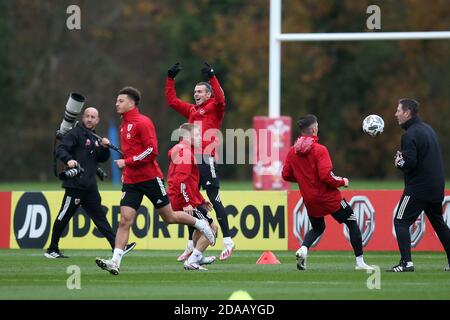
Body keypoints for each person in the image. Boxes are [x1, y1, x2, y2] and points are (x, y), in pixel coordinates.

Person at [95, 87, 216, 275]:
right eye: (117, 101)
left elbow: (152, 151)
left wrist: (126, 162)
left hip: (151, 178)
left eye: (120, 101)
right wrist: (124, 164)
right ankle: (115, 261)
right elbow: (132, 151)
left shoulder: (143, 122)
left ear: (131, 103)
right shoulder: (123, 124)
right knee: (125, 220)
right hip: (132, 180)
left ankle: (200, 224)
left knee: (170, 217)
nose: (116, 104)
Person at [282, 114, 373, 271]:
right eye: (317, 126)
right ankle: (360, 262)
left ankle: (303, 249)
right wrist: (343, 181)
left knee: (318, 228)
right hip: (329, 197)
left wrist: (305, 180)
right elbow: (326, 176)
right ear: (313, 129)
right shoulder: (320, 150)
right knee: (351, 221)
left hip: (309, 199)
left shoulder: (292, 152)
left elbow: (286, 175)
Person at [166, 62, 235, 261]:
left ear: (208, 94)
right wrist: (170, 79)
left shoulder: (215, 107)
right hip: (192, 161)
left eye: (200, 91)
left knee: (213, 197)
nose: (196, 94)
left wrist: (212, 76)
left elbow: (222, 98)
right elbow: (172, 101)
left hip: (206, 158)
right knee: (193, 201)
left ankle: (228, 240)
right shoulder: (192, 111)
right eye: (195, 91)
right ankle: (191, 245)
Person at [45, 107, 136, 258]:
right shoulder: (75, 133)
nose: (89, 119)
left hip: (89, 186)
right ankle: (52, 249)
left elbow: (101, 158)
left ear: (97, 120)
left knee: (100, 217)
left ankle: (116, 246)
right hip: (75, 185)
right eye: (87, 116)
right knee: (64, 215)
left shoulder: (95, 137)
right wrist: (69, 160)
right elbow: (60, 149)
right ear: (83, 117)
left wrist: (105, 148)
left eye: (93, 117)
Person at [390, 98, 450, 272]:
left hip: (418, 188)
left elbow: (410, 163)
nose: (396, 114)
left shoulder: (410, 134)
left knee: (400, 221)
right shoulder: (428, 129)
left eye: (399, 110)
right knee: (439, 224)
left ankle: (406, 263)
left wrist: (399, 162)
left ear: (407, 113)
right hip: (436, 187)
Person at [167, 123, 219, 270]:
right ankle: (193, 260)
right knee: (212, 228)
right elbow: (180, 181)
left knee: (198, 228)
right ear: (186, 137)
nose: (200, 138)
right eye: (196, 135)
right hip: (183, 200)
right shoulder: (186, 153)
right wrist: (186, 202)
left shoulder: (181, 150)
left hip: (184, 198)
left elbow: (189, 182)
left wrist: (201, 200)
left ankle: (195, 256)